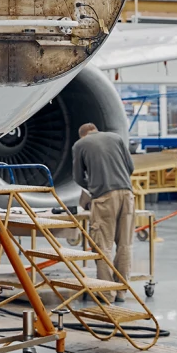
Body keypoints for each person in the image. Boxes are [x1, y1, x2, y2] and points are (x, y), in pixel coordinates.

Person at [71, 122, 135, 298]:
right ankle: (122, 291)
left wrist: (94, 187)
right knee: (125, 244)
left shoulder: (80, 145)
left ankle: (107, 293)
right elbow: (130, 167)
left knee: (103, 246)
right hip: (128, 194)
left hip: (104, 198)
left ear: (82, 135)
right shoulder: (116, 138)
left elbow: (77, 176)